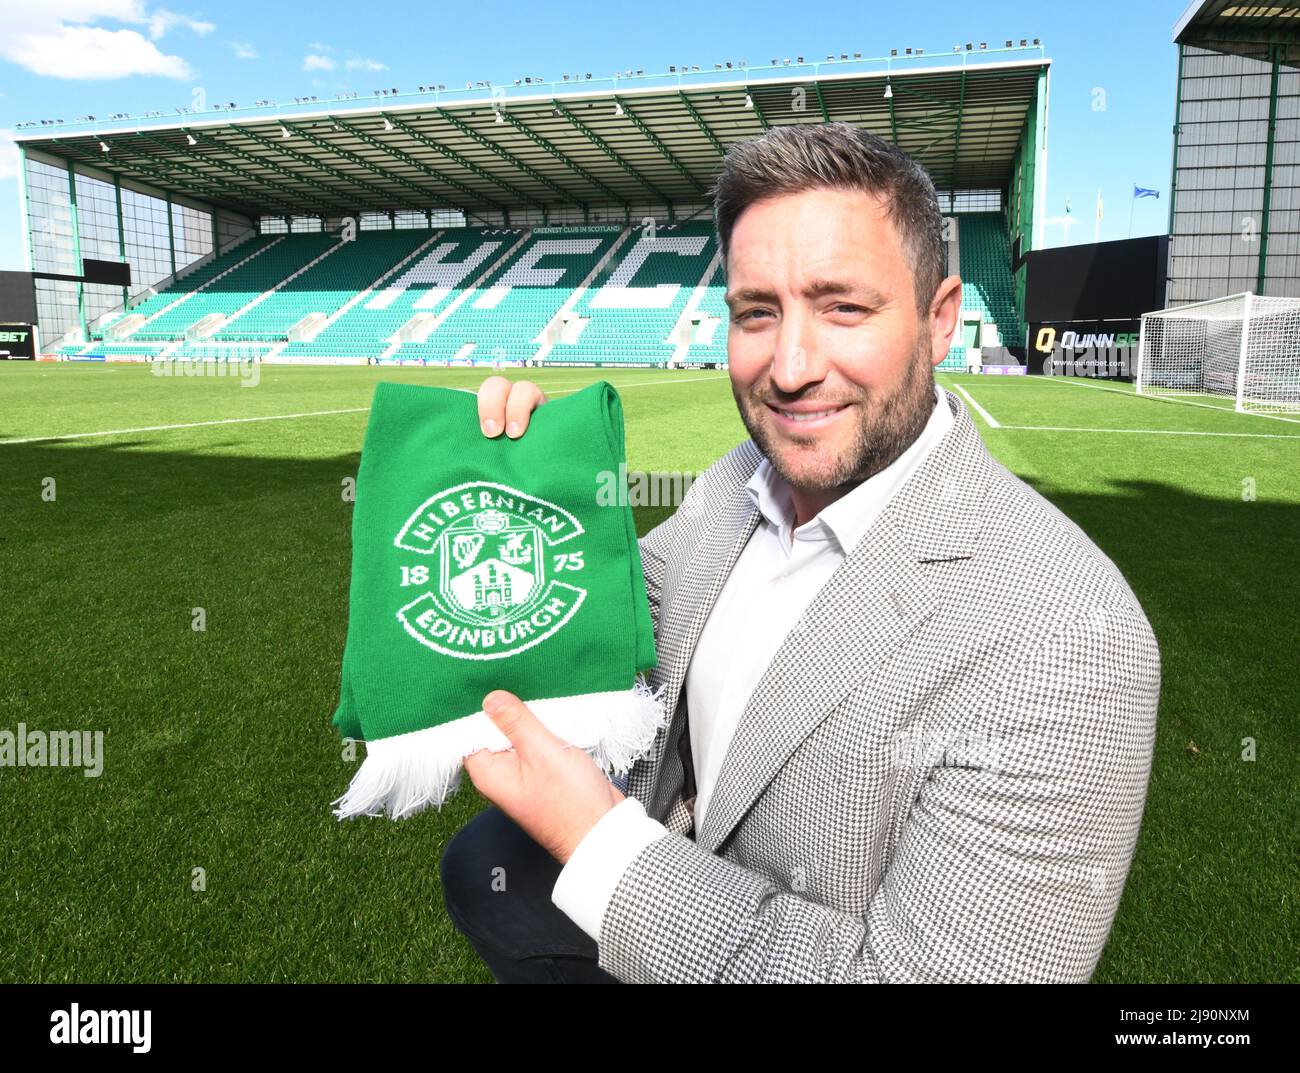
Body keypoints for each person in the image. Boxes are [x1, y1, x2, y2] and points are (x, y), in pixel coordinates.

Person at [438, 122, 1161, 984]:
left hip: (681, 912)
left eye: (842, 306)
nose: (788, 367)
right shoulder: (739, 476)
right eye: (757, 312)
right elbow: (611, 619)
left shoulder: (1070, 637)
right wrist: (523, 491)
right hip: (650, 896)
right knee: (482, 862)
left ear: (939, 321)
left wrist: (604, 850)